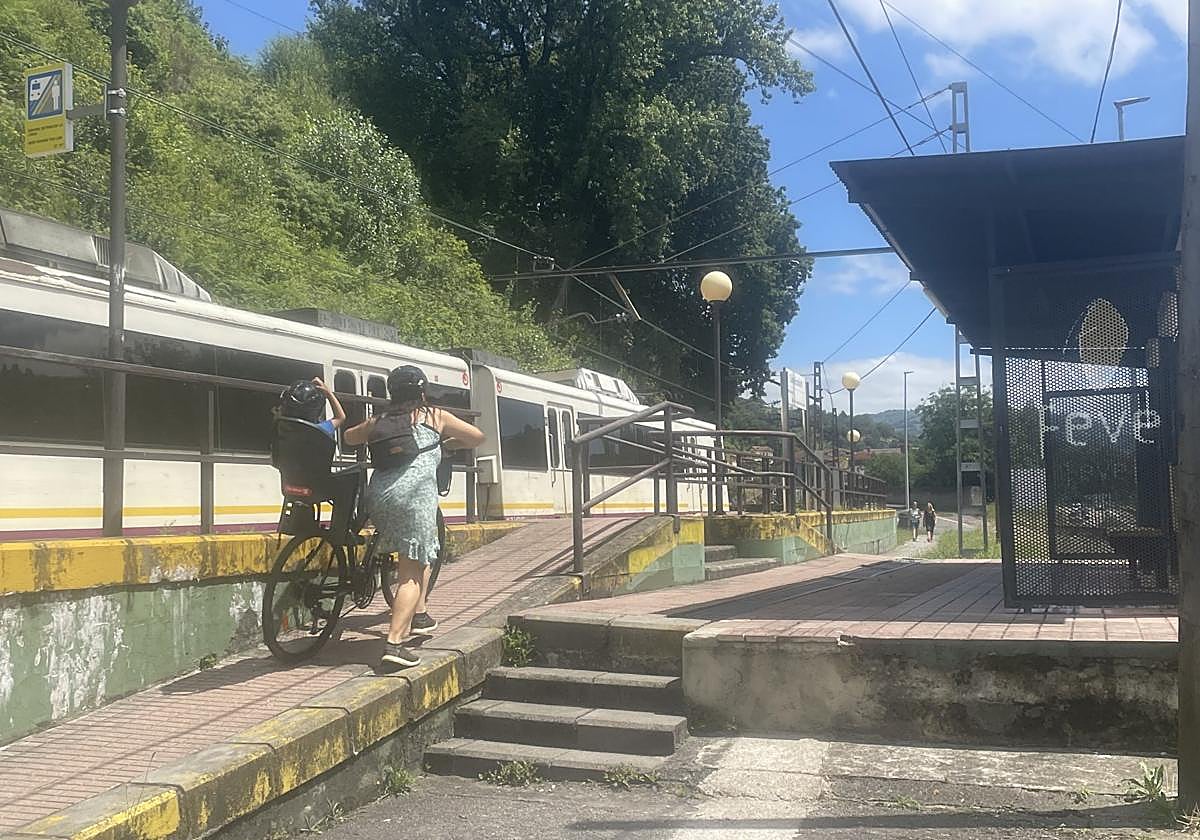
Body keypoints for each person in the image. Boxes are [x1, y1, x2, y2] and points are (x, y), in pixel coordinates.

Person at [344, 365, 484, 669]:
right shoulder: (435, 416)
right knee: (410, 572)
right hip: (414, 499)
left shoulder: (379, 419)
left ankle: (419, 614)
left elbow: (349, 438)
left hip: (378, 498)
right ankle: (395, 643)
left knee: (419, 554)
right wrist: (446, 443)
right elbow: (477, 437)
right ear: (422, 393)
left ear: (392, 394)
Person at [275, 377, 356, 535]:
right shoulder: (320, 429)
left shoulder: (281, 428)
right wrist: (329, 393)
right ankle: (340, 533)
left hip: (289, 485)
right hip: (318, 489)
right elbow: (341, 417)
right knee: (352, 481)